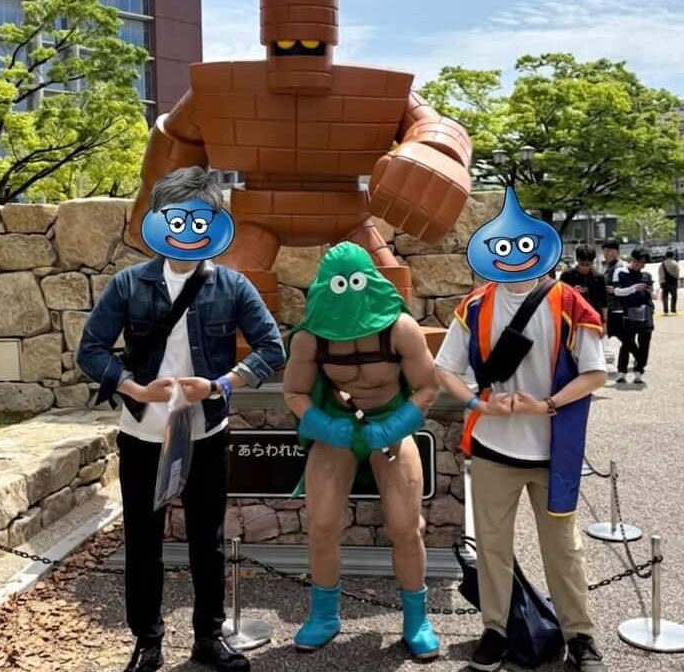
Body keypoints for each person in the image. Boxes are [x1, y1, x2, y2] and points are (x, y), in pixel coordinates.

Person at [77, 167, 285, 672]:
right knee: (142, 542)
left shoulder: (231, 285)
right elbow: (91, 350)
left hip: (206, 431)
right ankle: (147, 641)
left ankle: (208, 639)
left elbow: (272, 348)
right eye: (175, 218)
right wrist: (134, 388)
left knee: (206, 542)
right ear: (157, 220)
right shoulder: (129, 284)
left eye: (198, 219)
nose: (187, 231)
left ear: (215, 222)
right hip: (141, 434)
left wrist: (218, 385)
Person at [437, 188, 608, 672]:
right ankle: (495, 630)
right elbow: (444, 367)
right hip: (493, 448)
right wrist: (478, 403)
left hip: (553, 450)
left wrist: (547, 404)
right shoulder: (474, 306)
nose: (513, 254)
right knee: (493, 547)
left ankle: (580, 636)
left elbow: (595, 373)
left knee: (563, 548)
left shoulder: (569, 303)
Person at [283, 242, 441, 660]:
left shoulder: (400, 329)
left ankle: (416, 620)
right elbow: (295, 392)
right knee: (321, 524)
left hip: (391, 427)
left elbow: (428, 387)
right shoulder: (311, 338)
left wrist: (393, 426)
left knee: (406, 526)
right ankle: (324, 616)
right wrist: (326, 426)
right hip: (337, 429)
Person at [610, 248, 656, 384]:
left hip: (646, 311)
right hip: (628, 311)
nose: (641, 265)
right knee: (627, 342)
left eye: (644, 263)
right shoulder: (621, 273)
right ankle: (622, 372)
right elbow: (617, 291)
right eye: (639, 262)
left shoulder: (646, 276)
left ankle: (639, 371)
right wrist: (633, 288)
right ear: (633, 260)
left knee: (644, 342)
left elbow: (654, 295)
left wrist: (651, 291)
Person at [560, 244, 608, 320]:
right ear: (577, 260)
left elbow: (604, 302)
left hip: (594, 317)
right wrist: (572, 292)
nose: (585, 267)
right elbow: (561, 298)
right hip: (573, 317)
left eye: (588, 264)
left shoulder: (599, 278)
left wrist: (604, 321)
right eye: (582, 264)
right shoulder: (567, 276)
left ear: (593, 262)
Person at [600, 239, 623, 365]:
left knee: (620, 335)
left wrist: (614, 290)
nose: (607, 254)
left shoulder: (620, 267)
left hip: (617, 307)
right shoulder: (608, 266)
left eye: (610, 251)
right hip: (609, 306)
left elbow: (623, 286)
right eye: (605, 251)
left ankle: (639, 357)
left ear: (617, 252)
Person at [658, 250, 680, 315]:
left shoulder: (662, 264)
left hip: (664, 282)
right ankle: (673, 310)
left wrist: (661, 282)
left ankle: (666, 311)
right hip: (673, 282)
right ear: (673, 256)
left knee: (665, 296)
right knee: (674, 296)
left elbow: (660, 274)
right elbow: (677, 274)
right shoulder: (675, 264)